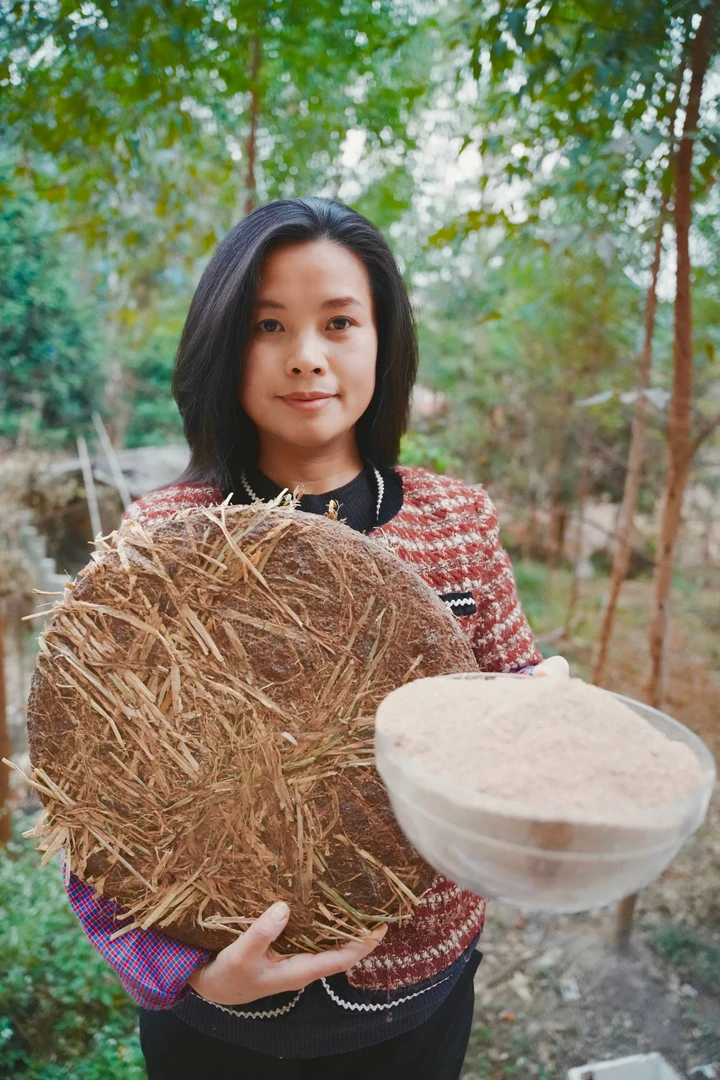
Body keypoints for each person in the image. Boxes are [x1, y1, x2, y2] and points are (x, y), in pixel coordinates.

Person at [65, 196, 549, 1079]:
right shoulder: (162, 540)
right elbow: (91, 795)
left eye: (339, 322)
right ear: (224, 342)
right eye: (268, 324)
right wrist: (190, 973)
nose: (306, 356)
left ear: (382, 340)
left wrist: (544, 717)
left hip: (414, 999)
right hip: (219, 1026)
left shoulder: (456, 522)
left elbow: (518, 708)